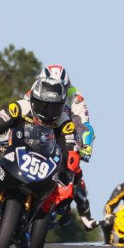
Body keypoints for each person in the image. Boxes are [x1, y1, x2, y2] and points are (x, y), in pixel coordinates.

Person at [0, 76, 96, 233]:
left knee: (64, 191)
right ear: (33, 100)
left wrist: (69, 172)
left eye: (53, 107)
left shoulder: (65, 123)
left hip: (40, 162)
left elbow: (71, 150)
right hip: (9, 149)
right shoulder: (20, 107)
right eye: (43, 105)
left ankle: (33, 222)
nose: (47, 112)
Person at [39, 64, 96, 229]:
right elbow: (21, 114)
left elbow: (84, 124)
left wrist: (86, 145)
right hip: (38, 135)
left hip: (63, 135)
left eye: (60, 87)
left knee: (75, 168)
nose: (55, 91)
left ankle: (84, 214)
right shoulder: (33, 92)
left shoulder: (75, 97)